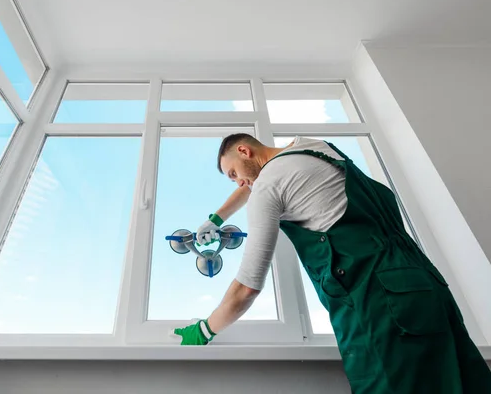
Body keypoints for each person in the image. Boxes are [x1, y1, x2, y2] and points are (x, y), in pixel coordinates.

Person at [173, 134, 491, 393]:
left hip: (379, 304)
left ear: (244, 150)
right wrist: (216, 218)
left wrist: (205, 329)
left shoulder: (268, 189)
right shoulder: (313, 147)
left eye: (232, 173)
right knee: (462, 382)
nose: (237, 183)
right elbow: (253, 184)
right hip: (425, 285)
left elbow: (246, 288)